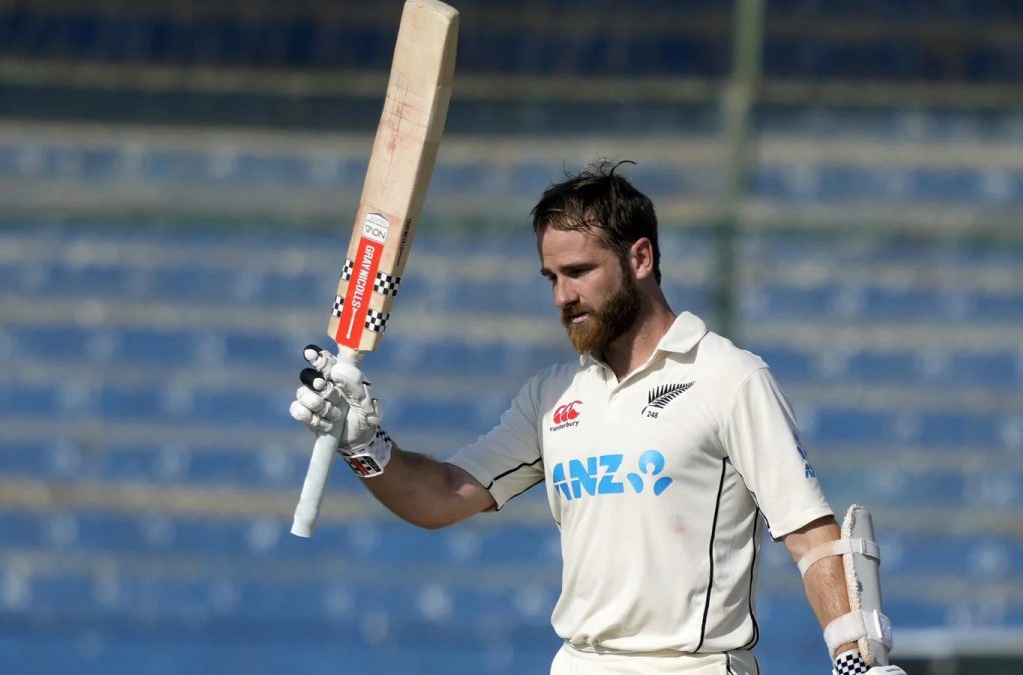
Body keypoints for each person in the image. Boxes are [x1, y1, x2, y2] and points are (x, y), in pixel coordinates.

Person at [290, 161, 904, 675]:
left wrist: (856, 657)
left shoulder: (729, 377)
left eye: (579, 272)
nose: (562, 297)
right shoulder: (553, 395)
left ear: (640, 258)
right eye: (551, 277)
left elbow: (812, 536)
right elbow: (442, 497)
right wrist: (364, 443)